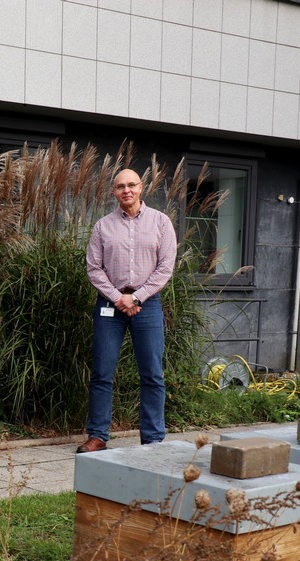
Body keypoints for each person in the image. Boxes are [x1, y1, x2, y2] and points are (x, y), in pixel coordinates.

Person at [76, 168, 176, 454]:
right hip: (110, 305)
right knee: (102, 372)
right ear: (114, 192)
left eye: (131, 185)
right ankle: (97, 436)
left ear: (141, 188)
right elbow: (94, 269)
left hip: (148, 306)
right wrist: (119, 298)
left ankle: (154, 439)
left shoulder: (161, 222)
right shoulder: (102, 226)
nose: (127, 191)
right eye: (121, 186)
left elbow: (165, 267)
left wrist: (137, 298)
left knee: (152, 374)